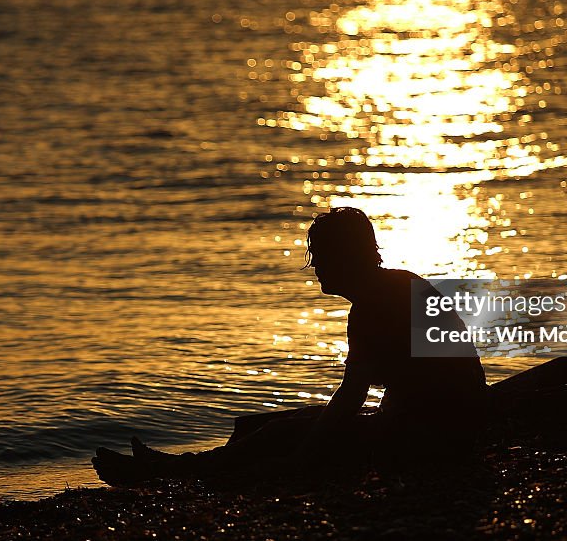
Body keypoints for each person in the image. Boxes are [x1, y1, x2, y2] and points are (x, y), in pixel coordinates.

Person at [92, 207, 488, 485]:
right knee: (265, 427)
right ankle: (181, 468)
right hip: (452, 428)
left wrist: (302, 457)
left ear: (343, 258)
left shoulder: (374, 307)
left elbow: (352, 396)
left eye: (320, 256)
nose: (313, 265)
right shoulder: (400, 283)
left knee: (280, 436)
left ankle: (173, 473)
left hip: (431, 440)